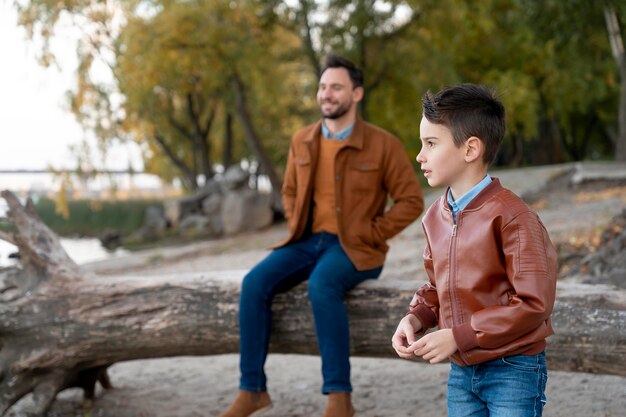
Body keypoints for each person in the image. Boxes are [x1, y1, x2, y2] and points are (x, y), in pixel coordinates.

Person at [220, 54, 424, 417]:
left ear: (356, 93)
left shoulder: (382, 144)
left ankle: (339, 397)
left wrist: (373, 232)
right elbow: (289, 191)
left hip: (356, 249)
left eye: (336, 87)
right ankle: (252, 390)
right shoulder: (302, 140)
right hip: (306, 242)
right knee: (253, 283)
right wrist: (298, 220)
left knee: (321, 285)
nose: (326, 94)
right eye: (322, 86)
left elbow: (411, 201)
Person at [391, 83, 558, 417]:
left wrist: (459, 335)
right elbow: (437, 286)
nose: (419, 155)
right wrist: (416, 316)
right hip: (462, 371)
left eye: (431, 143)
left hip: (513, 368)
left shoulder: (513, 217)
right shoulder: (434, 217)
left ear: (470, 150)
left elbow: (534, 303)